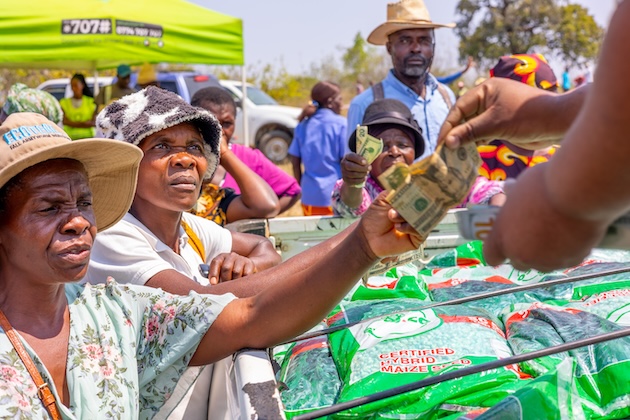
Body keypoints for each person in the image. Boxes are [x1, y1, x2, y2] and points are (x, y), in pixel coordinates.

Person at [0, 111, 421, 418]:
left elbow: (251, 315)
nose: (77, 221)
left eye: (84, 203)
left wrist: (362, 247)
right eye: (49, 207)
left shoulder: (115, 313)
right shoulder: (122, 255)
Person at [87, 86, 278, 419]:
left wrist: (248, 264)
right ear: (125, 165)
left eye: (194, 146)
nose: (186, 158)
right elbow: (207, 308)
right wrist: (355, 248)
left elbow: (265, 248)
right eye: (162, 145)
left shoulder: (189, 228)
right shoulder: (111, 234)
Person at [438, 0, 630, 272]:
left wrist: (566, 201)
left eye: (552, 91)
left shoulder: (563, 151)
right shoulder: (480, 159)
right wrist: (556, 113)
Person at [347, 0, 456, 161]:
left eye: (424, 40)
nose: (416, 48)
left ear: (433, 46)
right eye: (405, 40)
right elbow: (354, 175)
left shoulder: (446, 96)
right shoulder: (365, 103)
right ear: (389, 47)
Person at [191, 86, 300, 215]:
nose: (219, 131)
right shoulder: (183, 158)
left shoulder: (248, 157)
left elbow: (292, 190)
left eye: (227, 124)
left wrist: (252, 220)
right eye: (211, 123)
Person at [331, 98, 424, 217]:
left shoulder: (427, 186)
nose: (394, 152)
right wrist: (353, 183)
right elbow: (350, 204)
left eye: (403, 145)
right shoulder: (362, 188)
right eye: (383, 146)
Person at [480, 53, 559, 181]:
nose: (548, 112)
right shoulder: (482, 160)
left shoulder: (568, 155)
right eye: (536, 102)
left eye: (553, 98)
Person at [289, 81, 347, 216]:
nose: (342, 104)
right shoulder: (341, 125)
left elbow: (295, 161)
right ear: (331, 101)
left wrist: (301, 187)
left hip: (309, 198)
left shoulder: (303, 125)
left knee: (313, 237)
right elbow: (346, 162)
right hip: (335, 198)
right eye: (340, 99)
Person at [59, 73, 97, 140]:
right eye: (72, 86)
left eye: (76, 86)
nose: (73, 88)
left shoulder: (91, 102)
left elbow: (94, 122)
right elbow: (64, 121)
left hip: (88, 138)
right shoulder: (64, 102)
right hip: (70, 138)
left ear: (82, 85)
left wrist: (73, 123)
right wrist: (83, 124)